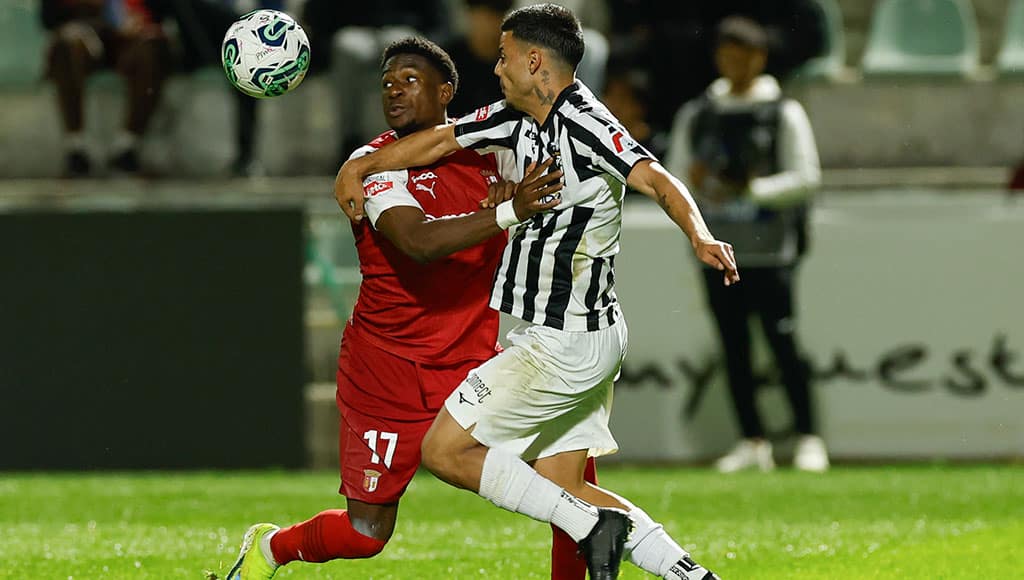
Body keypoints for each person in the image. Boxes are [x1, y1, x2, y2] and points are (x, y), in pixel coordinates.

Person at [335, 5, 736, 579]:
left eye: (503, 57)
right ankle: (691, 574)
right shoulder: (512, 117)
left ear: (533, 60)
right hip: (589, 333)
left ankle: (589, 527)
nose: (495, 68)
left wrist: (700, 233)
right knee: (566, 486)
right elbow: (436, 142)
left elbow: (655, 177)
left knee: (445, 453)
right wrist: (360, 167)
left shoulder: (588, 124)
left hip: (562, 341)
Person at [224, 37, 598, 580]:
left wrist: (519, 209)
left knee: (568, 475)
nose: (394, 91)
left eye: (410, 81)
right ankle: (272, 548)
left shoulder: (491, 150)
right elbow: (419, 242)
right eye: (387, 83)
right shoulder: (372, 164)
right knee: (364, 535)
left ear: (447, 92)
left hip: (472, 360)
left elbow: (533, 214)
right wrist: (507, 211)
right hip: (387, 370)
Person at [664, 16, 828, 473]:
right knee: (732, 346)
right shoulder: (698, 113)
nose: (736, 63)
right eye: (727, 53)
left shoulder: (782, 111)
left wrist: (751, 190)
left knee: (783, 342)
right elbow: (673, 177)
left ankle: (807, 436)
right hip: (717, 250)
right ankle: (751, 439)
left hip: (771, 248)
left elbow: (805, 177)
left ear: (760, 59)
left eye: (745, 54)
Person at [41, 0, 171, 177]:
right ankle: (76, 148)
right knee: (66, 44)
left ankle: (127, 148)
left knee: (153, 47)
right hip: (85, 30)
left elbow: (164, 12)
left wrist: (139, 23)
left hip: (133, 33)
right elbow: (48, 16)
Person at [443, 0, 512, 118]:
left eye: (498, 15)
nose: (492, 25)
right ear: (471, 14)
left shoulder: (514, 61)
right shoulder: (447, 61)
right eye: (486, 16)